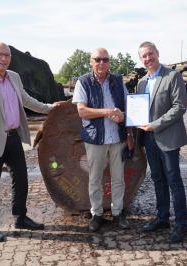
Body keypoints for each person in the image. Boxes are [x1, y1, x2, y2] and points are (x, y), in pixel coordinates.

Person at [0, 42, 64, 242]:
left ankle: (20, 217)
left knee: (21, 180)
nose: (3, 59)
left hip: (13, 138)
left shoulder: (14, 77)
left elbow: (27, 100)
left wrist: (50, 107)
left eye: (7, 55)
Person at [72, 47, 132, 232]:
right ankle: (97, 213)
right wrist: (107, 112)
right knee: (95, 178)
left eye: (105, 59)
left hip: (117, 137)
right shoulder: (83, 82)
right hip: (95, 138)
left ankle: (118, 213)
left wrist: (125, 120)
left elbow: (130, 105)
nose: (101, 63)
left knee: (118, 178)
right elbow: (81, 111)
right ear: (91, 62)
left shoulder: (117, 80)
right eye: (97, 59)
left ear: (109, 62)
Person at [137, 41, 187, 243]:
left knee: (173, 180)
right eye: (144, 56)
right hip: (148, 138)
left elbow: (179, 107)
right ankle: (162, 218)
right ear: (141, 59)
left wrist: (155, 125)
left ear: (157, 53)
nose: (148, 58)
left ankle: (181, 224)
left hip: (167, 137)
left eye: (150, 54)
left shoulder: (172, 76)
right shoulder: (141, 82)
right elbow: (139, 110)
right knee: (158, 179)